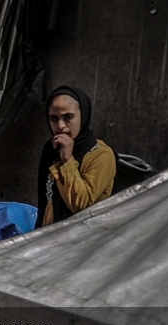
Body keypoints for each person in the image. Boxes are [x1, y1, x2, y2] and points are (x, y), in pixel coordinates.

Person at [35, 86, 116, 228]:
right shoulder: (51, 148)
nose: (61, 126)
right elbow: (46, 203)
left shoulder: (101, 155)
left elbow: (81, 205)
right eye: (54, 119)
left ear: (82, 116)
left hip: (82, 240)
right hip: (48, 238)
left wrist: (67, 160)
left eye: (68, 117)